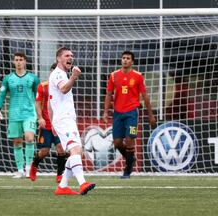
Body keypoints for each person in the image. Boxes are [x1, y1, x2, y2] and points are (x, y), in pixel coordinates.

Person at [49, 47, 95, 195]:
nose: (71, 58)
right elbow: (63, 89)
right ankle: (82, 183)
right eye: (67, 55)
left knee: (76, 151)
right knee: (75, 150)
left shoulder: (61, 74)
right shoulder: (57, 74)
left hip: (64, 118)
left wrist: (52, 121)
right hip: (64, 119)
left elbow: (51, 102)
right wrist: (74, 77)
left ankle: (62, 186)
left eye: (72, 56)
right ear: (58, 59)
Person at [103, 50, 156, 178]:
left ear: (132, 61)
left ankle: (127, 170)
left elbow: (145, 96)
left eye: (128, 58)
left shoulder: (138, 76)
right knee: (117, 143)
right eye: (123, 58)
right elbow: (109, 95)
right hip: (117, 113)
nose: (125, 60)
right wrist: (105, 112)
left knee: (130, 139)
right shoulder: (113, 75)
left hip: (132, 113)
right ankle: (130, 158)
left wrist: (151, 115)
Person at [0, 52, 40, 178]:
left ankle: (29, 167)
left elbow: (39, 97)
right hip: (14, 114)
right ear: (14, 62)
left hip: (29, 114)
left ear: (25, 61)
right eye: (16, 60)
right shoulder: (8, 78)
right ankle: (20, 169)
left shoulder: (33, 78)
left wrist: (41, 113)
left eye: (21, 59)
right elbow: (2, 94)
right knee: (17, 142)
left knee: (30, 138)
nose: (19, 62)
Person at [29, 63, 66, 183]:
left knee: (61, 149)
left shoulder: (64, 87)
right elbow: (38, 103)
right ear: (51, 73)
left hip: (59, 125)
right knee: (44, 151)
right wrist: (40, 118)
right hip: (47, 125)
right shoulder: (43, 86)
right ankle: (34, 165)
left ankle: (60, 175)